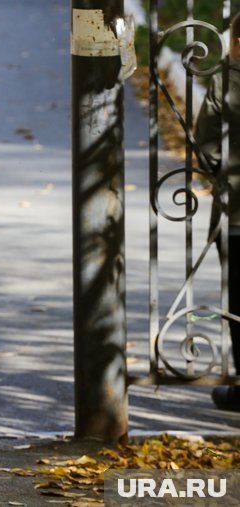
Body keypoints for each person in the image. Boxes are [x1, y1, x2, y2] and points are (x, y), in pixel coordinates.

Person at [194, 13, 240, 411]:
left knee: (238, 304)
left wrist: (220, 176)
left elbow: (205, 141)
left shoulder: (227, 80)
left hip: (237, 213)